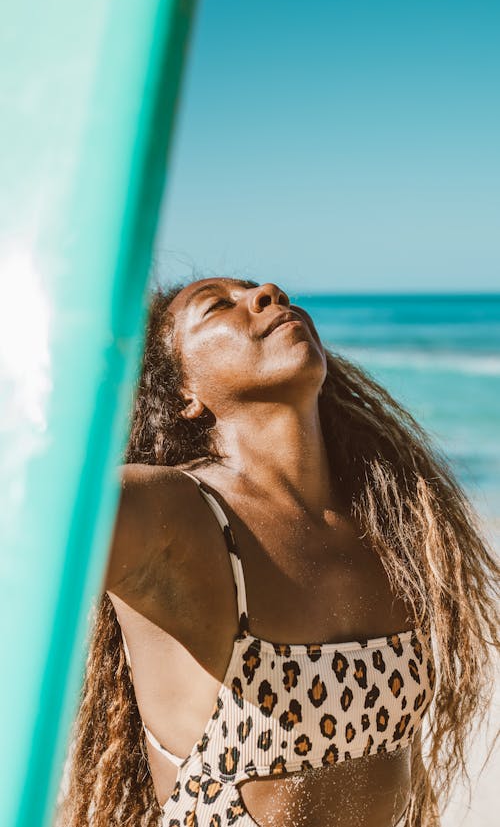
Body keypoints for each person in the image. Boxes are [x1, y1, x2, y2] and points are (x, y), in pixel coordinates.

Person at [59, 277, 499, 827]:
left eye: (266, 289)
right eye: (218, 306)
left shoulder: (390, 521)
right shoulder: (168, 514)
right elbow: (33, 536)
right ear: (183, 394)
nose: (268, 292)